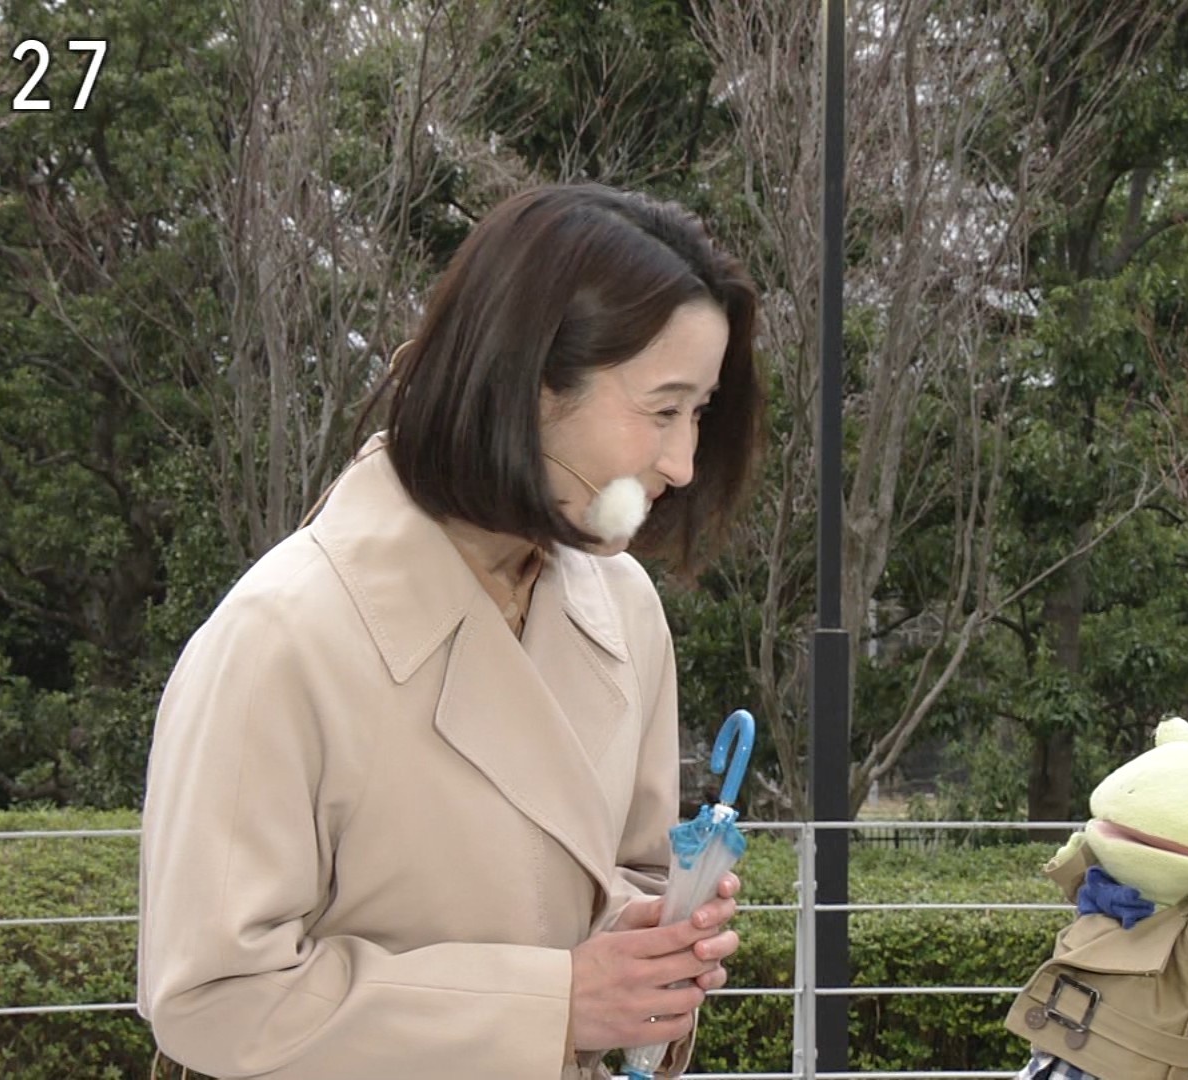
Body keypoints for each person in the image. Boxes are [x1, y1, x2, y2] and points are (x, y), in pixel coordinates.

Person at [136, 183, 766, 1079]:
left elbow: (631, 874)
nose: (684, 461)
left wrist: (645, 956)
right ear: (530, 386)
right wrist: (552, 1006)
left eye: (699, 413)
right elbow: (211, 1000)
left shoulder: (626, 608)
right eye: (662, 409)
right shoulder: (280, 634)